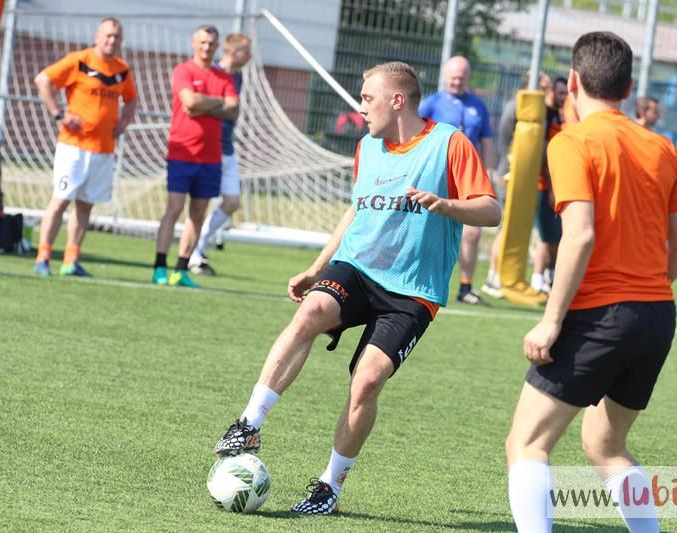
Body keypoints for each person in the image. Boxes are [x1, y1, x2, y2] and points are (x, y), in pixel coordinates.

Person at [213, 61, 501, 514]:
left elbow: (491, 210)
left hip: (412, 291)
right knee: (310, 311)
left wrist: (446, 205)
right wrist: (317, 268)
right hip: (358, 267)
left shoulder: (449, 143)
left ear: (397, 100)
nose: (361, 108)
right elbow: (355, 210)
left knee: (365, 382)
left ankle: (329, 487)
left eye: (368, 98)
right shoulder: (367, 146)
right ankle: (249, 423)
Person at [504, 32, 677, 533]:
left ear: (572, 81)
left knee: (527, 443)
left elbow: (580, 234)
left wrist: (551, 321)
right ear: (629, 88)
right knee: (605, 446)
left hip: (600, 316)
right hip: (657, 317)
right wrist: (645, 289)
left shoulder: (571, 141)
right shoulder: (663, 147)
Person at [33, 18, 137, 277]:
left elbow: (131, 98)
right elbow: (43, 80)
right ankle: (43, 257)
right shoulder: (79, 60)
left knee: (85, 205)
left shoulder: (122, 69)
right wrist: (58, 113)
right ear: (97, 36)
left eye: (117, 37)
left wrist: (124, 121)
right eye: (108, 35)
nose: (112, 41)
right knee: (60, 201)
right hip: (74, 147)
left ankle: (71, 260)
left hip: (103, 149)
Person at [151, 25, 239, 287]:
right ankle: (159, 266)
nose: (206, 47)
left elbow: (233, 110)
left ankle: (181, 269)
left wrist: (205, 103)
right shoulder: (183, 70)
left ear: (217, 46)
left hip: (211, 158)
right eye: (203, 42)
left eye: (211, 43)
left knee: (198, 213)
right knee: (174, 208)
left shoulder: (223, 77)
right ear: (194, 43)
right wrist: (217, 101)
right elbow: (189, 102)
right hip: (182, 153)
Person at [418, 55, 495, 305]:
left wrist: (489, 172)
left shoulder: (478, 106)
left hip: (468, 178)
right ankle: (420, 280)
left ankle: (465, 287)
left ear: (468, 77)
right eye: (453, 77)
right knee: (427, 230)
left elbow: (487, 141)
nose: (457, 81)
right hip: (437, 175)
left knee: (472, 233)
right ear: (445, 76)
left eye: (461, 77)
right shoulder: (431, 104)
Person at [189, 32, 252, 276]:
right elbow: (197, 107)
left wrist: (217, 107)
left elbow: (232, 111)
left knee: (232, 201)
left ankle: (198, 247)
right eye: (246, 51)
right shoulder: (212, 73)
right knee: (200, 204)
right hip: (208, 147)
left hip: (227, 148)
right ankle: (194, 255)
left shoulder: (239, 76)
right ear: (233, 52)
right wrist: (220, 106)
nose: (249, 56)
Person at [530, 76, 568, 294]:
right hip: (543, 186)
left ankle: (548, 277)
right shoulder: (545, 116)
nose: (564, 98)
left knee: (556, 236)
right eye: (560, 93)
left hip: (554, 185)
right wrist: (552, 189)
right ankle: (537, 279)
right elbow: (547, 157)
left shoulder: (559, 118)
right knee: (546, 235)